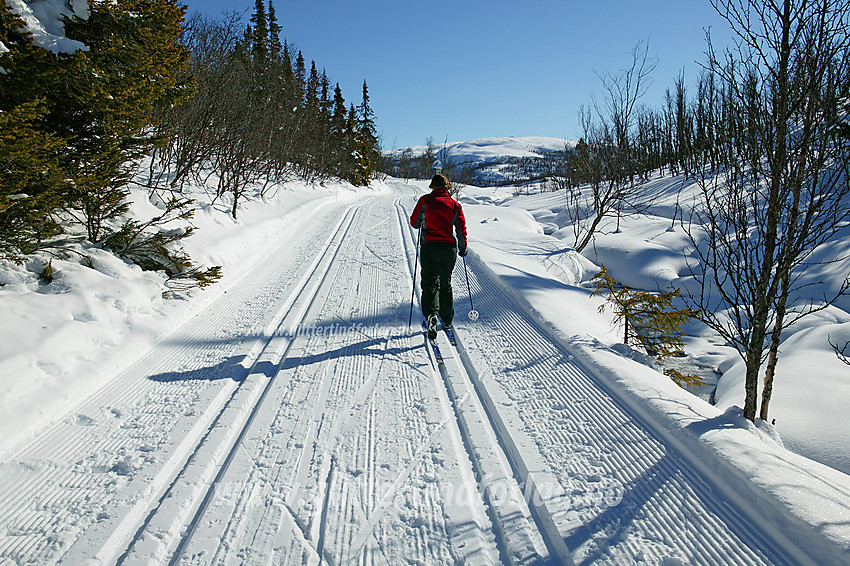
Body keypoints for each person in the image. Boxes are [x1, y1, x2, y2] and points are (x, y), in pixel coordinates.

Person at [410, 173, 468, 340]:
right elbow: (461, 229)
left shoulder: (425, 201)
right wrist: (462, 248)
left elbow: (415, 223)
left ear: (432, 187)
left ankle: (431, 315)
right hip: (448, 249)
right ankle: (447, 319)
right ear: (447, 187)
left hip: (429, 247)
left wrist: (423, 219)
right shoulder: (455, 205)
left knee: (429, 283)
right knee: (445, 283)